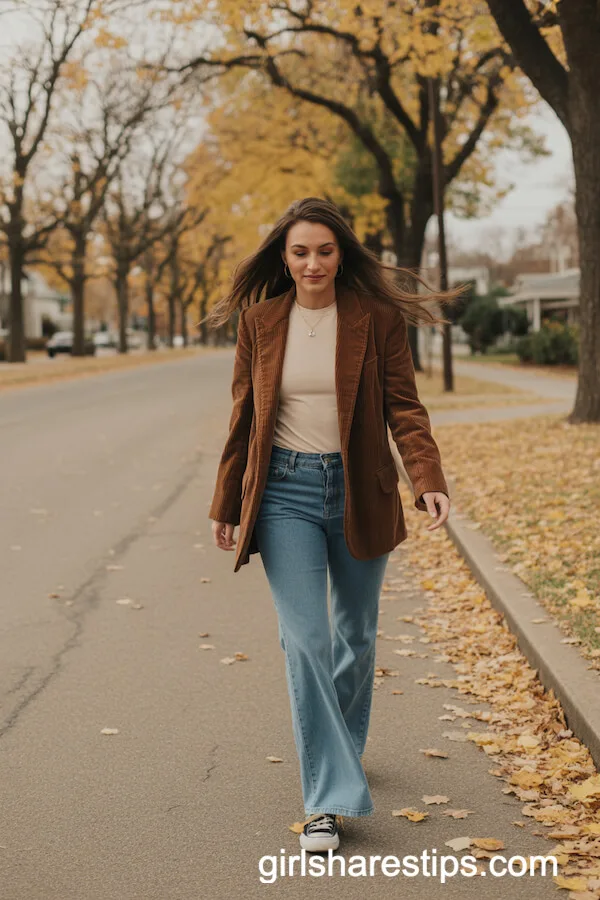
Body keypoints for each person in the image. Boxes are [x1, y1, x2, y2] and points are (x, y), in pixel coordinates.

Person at [206, 197, 453, 853]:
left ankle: (339, 749)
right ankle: (328, 800)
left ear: (341, 254)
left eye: (324, 250)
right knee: (306, 639)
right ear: (282, 259)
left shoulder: (375, 318)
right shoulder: (260, 321)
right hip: (284, 492)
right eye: (299, 251)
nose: (312, 262)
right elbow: (243, 418)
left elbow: (406, 408)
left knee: (356, 635)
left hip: (359, 492)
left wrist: (426, 480)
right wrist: (227, 500)